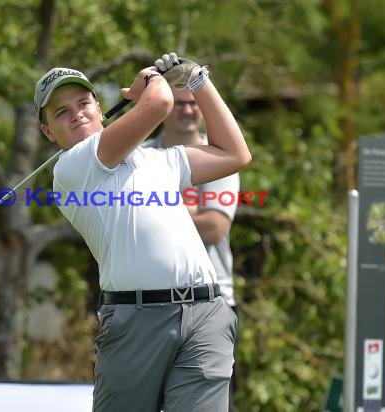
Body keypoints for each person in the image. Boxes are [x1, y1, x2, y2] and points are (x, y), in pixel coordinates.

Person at [33, 52, 251, 412]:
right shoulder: (73, 167)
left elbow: (235, 154)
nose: (77, 114)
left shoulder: (157, 159)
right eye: (62, 112)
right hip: (135, 321)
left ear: (100, 108)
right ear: (47, 132)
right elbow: (160, 103)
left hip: (205, 312)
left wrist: (198, 80)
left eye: (84, 102)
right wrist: (150, 82)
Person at [143, 86, 241, 411]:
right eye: (179, 103)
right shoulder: (141, 153)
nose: (187, 110)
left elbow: (214, 228)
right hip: (148, 304)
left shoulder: (219, 155)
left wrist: (155, 201)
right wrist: (187, 208)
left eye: (193, 103)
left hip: (211, 302)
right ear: (164, 107)